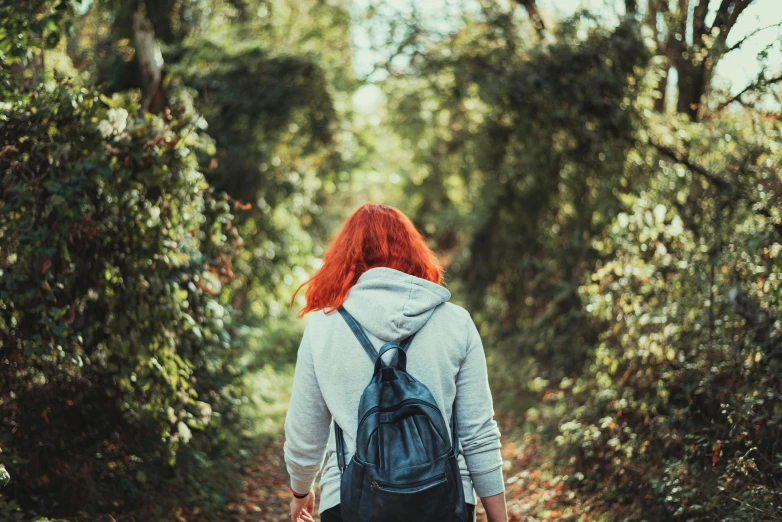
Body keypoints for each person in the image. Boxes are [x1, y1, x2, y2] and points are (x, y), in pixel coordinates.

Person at [283, 203, 508, 522]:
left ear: (344, 258)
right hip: (444, 501)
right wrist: (499, 518)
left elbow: (304, 432)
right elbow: (478, 432)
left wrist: (301, 493)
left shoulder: (324, 327)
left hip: (350, 501)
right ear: (413, 251)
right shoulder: (455, 322)